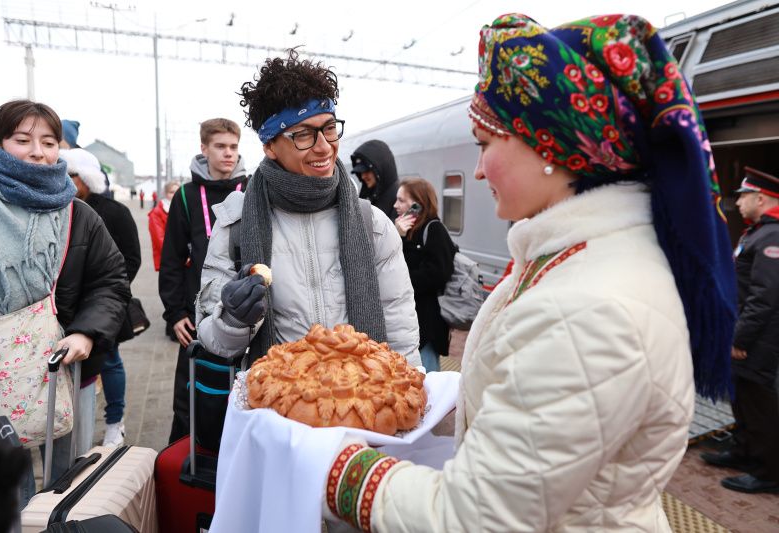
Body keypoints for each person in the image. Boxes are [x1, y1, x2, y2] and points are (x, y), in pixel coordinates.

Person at [221, 15, 740, 532]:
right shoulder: (576, 265)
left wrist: (322, 460)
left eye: (486, 144)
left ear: (548, 145)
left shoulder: (585, 307)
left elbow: (476, 515)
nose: (476, 170)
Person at [195, 48, 420, 369]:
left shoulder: (372, 224)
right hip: (278, 405)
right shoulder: (237, 225)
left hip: (362, 401)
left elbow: (401, 335)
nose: (324, 146)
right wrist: (232, 320)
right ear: (270, 146)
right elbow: (213, 340)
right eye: (303, 135)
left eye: (329, 128)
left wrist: (405, 403)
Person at [0, 100, 129, 505]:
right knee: (4, 486)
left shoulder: (78, 213)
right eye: (22, 140)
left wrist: (86, 331)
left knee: (65, 477)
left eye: (48, 142)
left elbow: (110, 281)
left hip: (61, 365)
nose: (37, 152)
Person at [159, 118, 248, 443]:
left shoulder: (251, 190)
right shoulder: (185, 196)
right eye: (220, 146)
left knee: (239, 397)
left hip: (241, 316)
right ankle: (186, 465)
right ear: (204, 148)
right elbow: (170, 260)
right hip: (196, 319)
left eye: (233, 147)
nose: (228, 154)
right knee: (190, 400)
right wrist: (174, 314)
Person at [701, 166, 779, 494]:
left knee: (759, 402)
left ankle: (768, 471)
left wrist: (740, 339)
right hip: (746, 331)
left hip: (759, 338)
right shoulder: (757, 232)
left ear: (760, 198)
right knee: (741, 397)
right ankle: (745, 452)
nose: (739, 202)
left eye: (743, 196)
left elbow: (765, 295)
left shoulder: (773, 235)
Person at [62, 147, 141, 449]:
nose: (65, 180)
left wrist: (109, 296)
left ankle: (114, 423)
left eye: (71, 175)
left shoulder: (115, 212)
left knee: (110, 362)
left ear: (85, 178)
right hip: (68, 312)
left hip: (105, 309)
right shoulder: (58, 210)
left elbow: (132, 259)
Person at [393, 178, 455, 372]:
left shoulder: (434, 229)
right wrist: (398, 238)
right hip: (410, 320)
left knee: (427, 377)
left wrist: (404, 281)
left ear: (417, 204)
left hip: (427, 324)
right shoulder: (407, 231)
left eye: (401, 200)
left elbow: (439, 273)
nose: (395, 205)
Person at [350, 140, 400, 221]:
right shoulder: (366, 195)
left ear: (380, 169)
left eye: (366, 171)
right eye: (360, 172)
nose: (363, 176)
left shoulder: (399, 199)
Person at [148, 180, 181, 271]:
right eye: (172, 192)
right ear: (166, 194)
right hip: (168, 261)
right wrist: (180, 257)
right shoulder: (156, 213)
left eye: (177, 191)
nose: (175, 194)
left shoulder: (182, 209)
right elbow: (160, 240)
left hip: (183, 261)